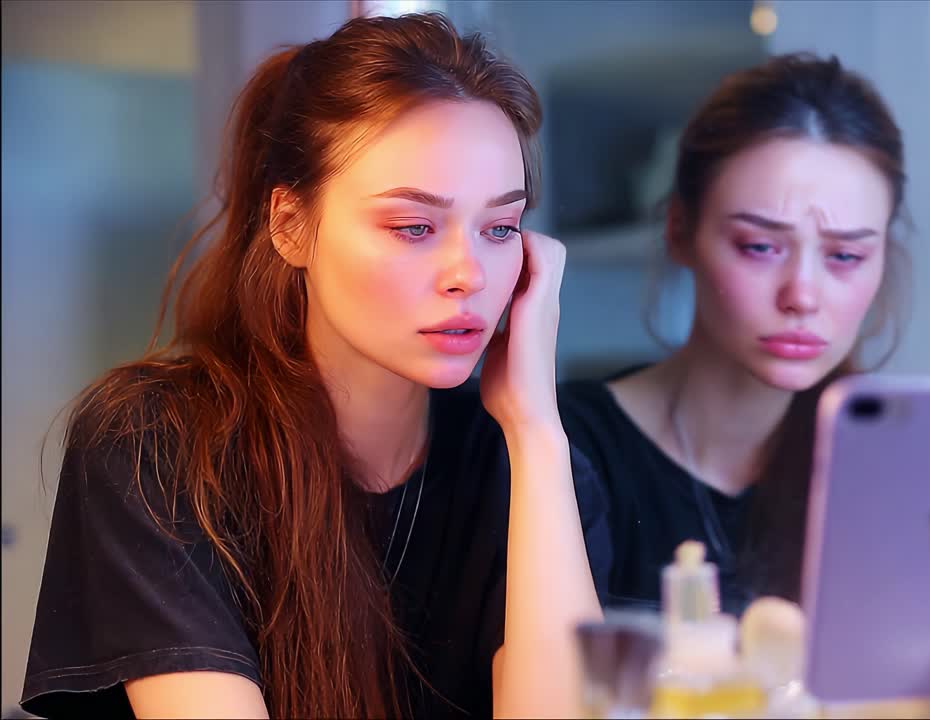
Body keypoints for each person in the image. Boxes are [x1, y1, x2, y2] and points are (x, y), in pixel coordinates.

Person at [21, 13, 599, 719]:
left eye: (501, 228)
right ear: (290, 225)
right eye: (414, 226)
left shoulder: (527, 470)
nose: (468, 273)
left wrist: (537, 431)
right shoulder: (157, 443)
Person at [560, 53, 907, 614]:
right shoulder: (566, 452)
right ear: (680, 230)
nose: (802, 294)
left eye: (845, 255)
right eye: (760, 247)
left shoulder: (892, 466)